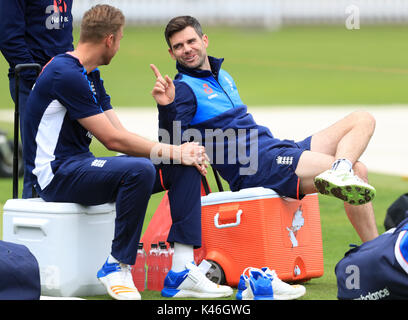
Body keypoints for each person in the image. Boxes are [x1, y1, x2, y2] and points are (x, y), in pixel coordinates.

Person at [23, 6, 232, 300]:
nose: (119, 46)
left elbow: (120, 133)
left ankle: (182, 270)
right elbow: (111, 140)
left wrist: (176, 154)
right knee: (141, 169)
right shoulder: (64, 73)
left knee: (180, 164)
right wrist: (174, 150)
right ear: (109, 40)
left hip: (81, 166)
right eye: (120, 40)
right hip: (55, 175)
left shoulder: (89, 74)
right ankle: (116, 266)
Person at [153, 15, 379, 244]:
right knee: (357, 171)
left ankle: (340, 169)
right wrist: (166, 107)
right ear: (172, 54)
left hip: (274, 150)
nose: (187, 49)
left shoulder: (222, 75)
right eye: (178, 46)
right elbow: (169, 144)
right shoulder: (182, 89)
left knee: (363, 119)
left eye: (191, 41)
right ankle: (375, 253)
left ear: (205, 40)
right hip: (255, 167)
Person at [0, 0, 75, 198]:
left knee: (72, 158)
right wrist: (39, 77)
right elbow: (8, 37)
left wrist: (74, 65)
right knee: (38, 167)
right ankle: (30, 225)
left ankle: (61, 225)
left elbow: (64, 32)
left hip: (66, 77)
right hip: (32, 81)